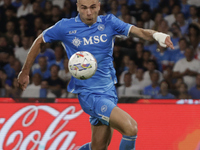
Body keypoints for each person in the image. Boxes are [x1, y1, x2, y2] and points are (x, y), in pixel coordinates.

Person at [17, 0, 174, 149]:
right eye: (84, 7)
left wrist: (158, 35)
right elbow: (40, 40)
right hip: (89, 94)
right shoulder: (65, 27)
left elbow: (138, 32)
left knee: (99, 147)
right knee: (131, 128)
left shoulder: (109, 23)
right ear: (77, 7)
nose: (89, 12)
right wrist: (25, 71)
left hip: (109, 91)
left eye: (92, 7)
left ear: (99, 6)